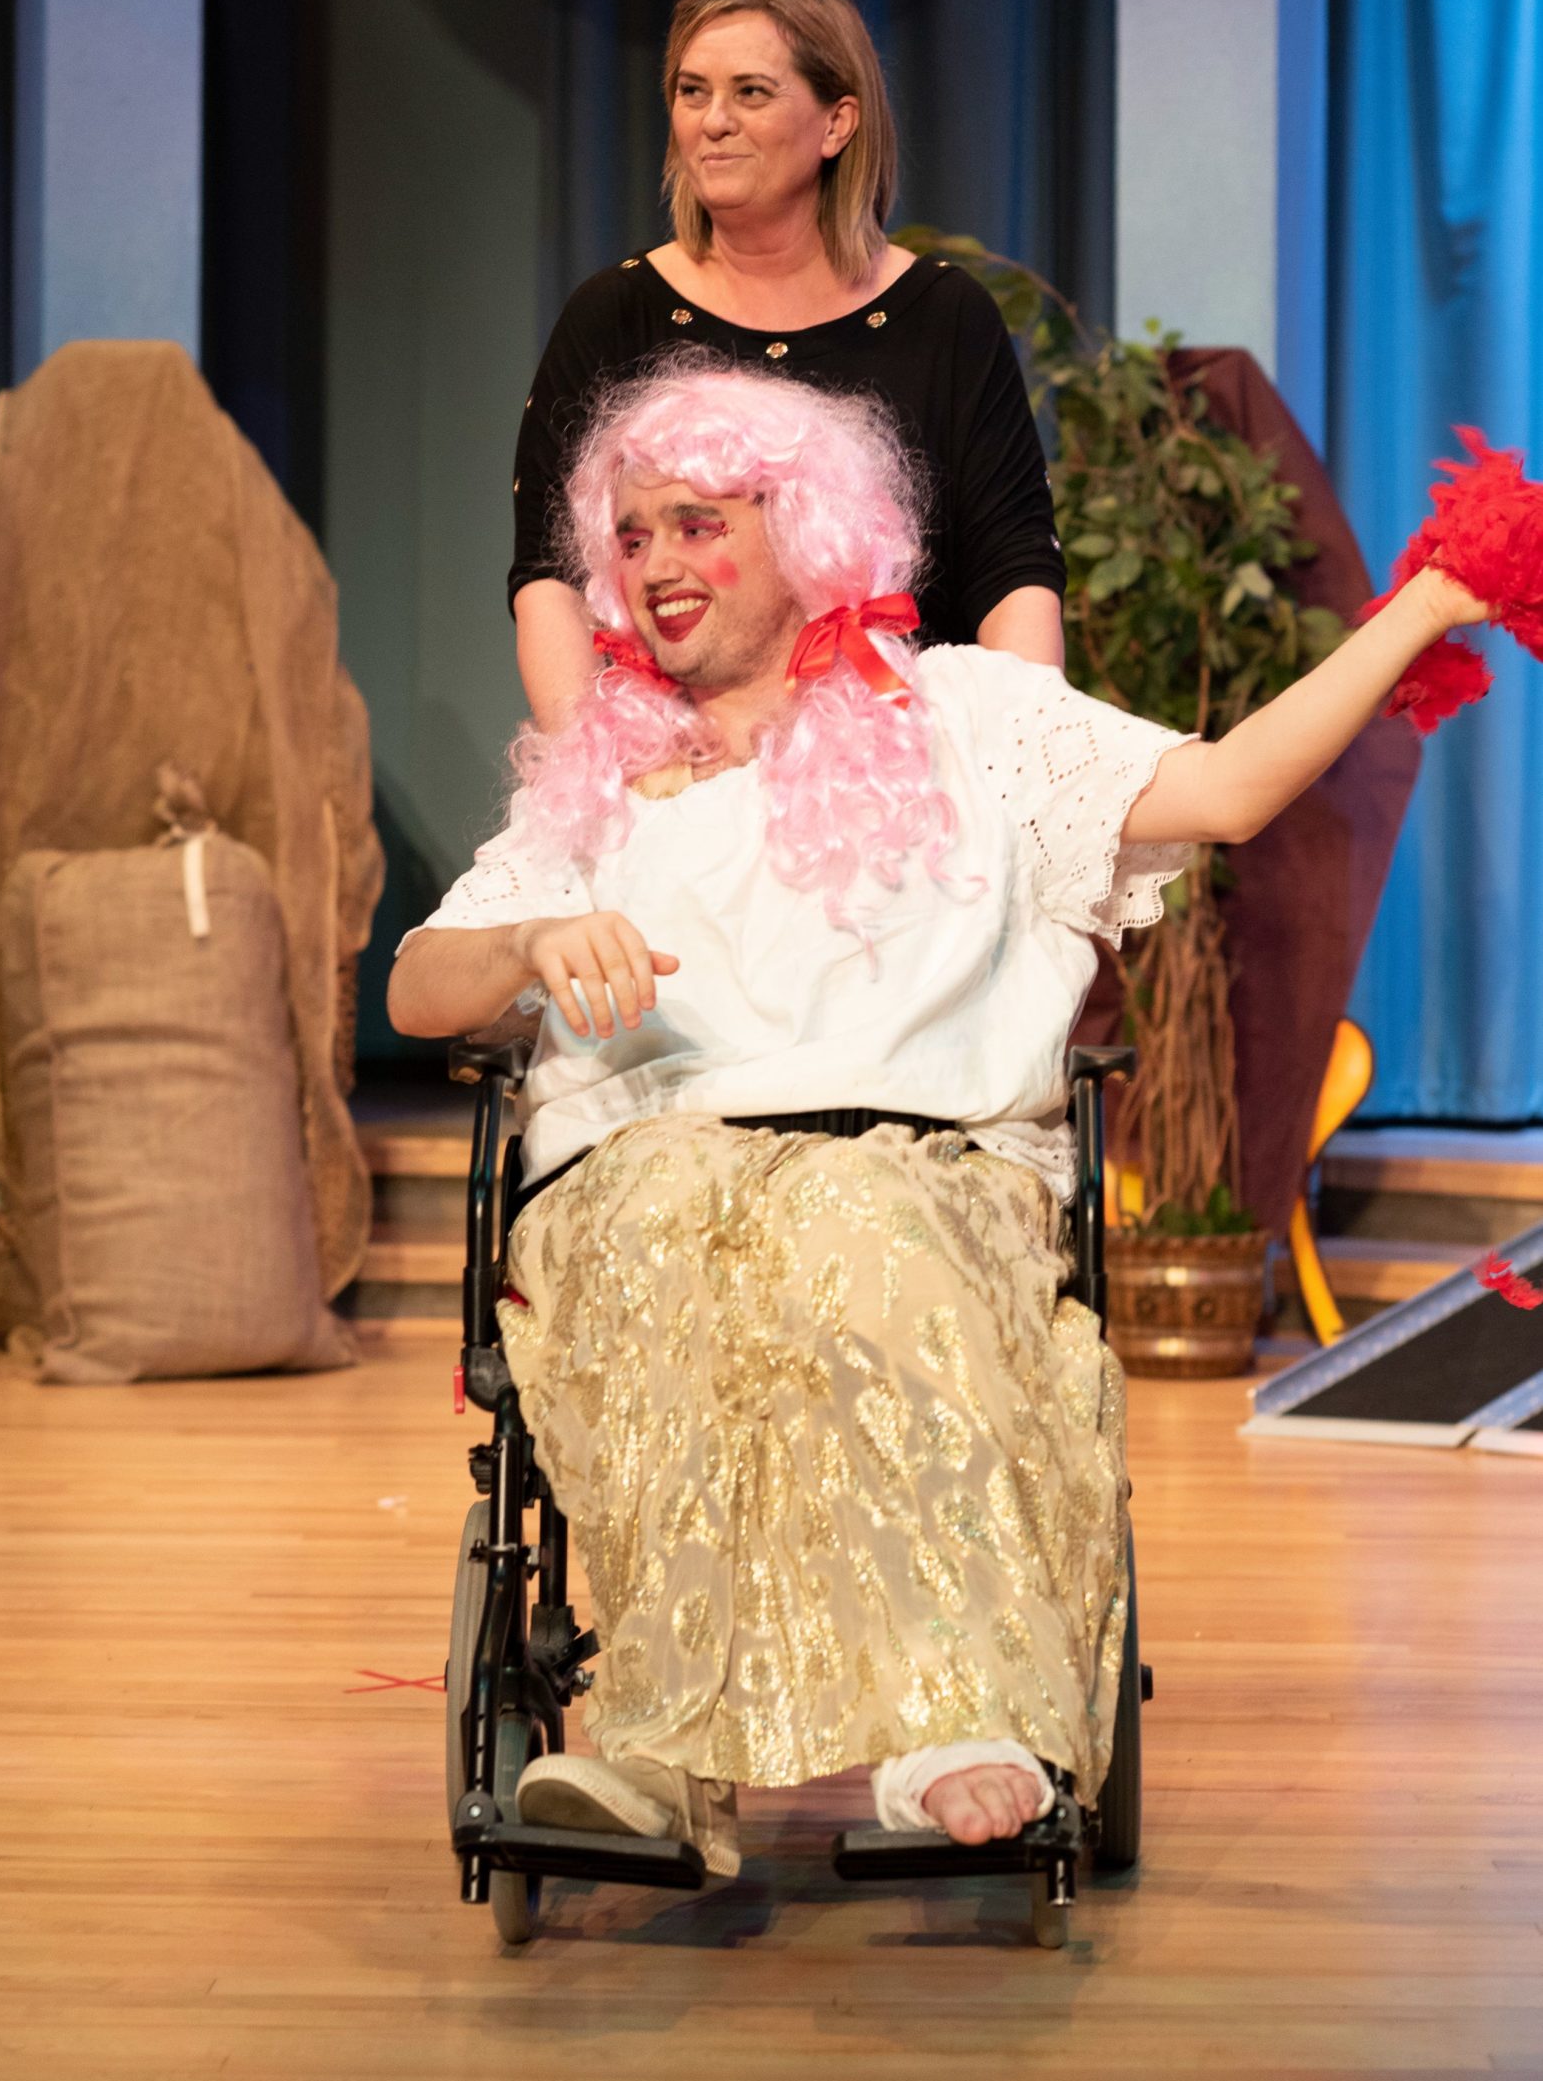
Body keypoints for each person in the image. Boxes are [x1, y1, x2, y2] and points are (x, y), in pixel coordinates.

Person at [392, 364, 1484, 1875]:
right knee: (659, 1246)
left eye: (697, 525)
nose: (654, 568)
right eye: (630, 538)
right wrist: (522, 948)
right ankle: (654, 1757)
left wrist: (1420, 606)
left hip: (918, 1161)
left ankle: (959, 1711)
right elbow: (419, 987)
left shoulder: (968, 717)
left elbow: (1228, 790)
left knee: (850, 1229)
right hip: (642, 1164)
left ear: (804, 530)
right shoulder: (598, 780)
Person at [512, 0, 1065, 730]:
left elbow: (1013, 576)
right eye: (691, 91)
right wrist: (599, 781)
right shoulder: (613, 315)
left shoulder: (944, 318)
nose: (712, 121)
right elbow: (551, 579)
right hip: (671, 783)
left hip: (900, 783)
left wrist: (1014, 763)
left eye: (751, 92)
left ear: (837, 123)